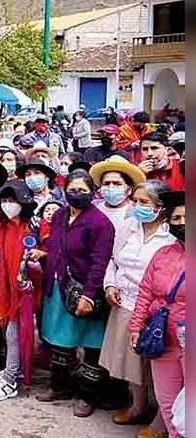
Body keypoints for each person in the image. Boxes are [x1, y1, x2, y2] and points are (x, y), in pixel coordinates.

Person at [36, 170, 115, 418]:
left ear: (92, 192)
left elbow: (100, 262)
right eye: (72, 190)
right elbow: (57, 248)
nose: (76, 194)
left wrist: (89, 295)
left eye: (82, 190)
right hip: (58, 287)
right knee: (60, 339)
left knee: (91, 344)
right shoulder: (60, 215)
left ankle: (87, 395)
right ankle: (59, 386)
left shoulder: (100, 223)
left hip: (85, 290)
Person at [99, 181, 176, 428]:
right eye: (135, 201)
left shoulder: (171, 234)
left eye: (144, 202)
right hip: (125, 302)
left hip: (156, 310)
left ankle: (163, 418)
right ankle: (138, 405)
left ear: (160, 207)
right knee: (131, 362)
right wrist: (110, 284)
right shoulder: (128, 226)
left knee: (159, 365)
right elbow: (112, 259)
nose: (137, 206)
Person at [128, 192, 185, 438]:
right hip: (162, 338)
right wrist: (135, 326)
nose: (182, 223)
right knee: (168, 402)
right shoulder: (163, 254)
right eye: (176, 218)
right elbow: (145, 293)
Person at [0, 180, 42, 400]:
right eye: (4, 200)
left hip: (27, 292)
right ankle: (13, 369)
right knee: (11, 333)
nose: (8, 204)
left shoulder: (34, 227)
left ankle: (9, 380)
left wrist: (37, 261)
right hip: (6, 289)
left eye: (12, 200)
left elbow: (46, 254)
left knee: (15, 334)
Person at [90, 155, 146, 234]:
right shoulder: (92, 209)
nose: (111, 187)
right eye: (106, 183)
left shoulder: (136, 212)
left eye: (117, 183)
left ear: (129, 190)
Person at [16, 159, 65, 230]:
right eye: (28, 174)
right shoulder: (22, 201)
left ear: (47, 176)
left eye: (37, 173)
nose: (32, 177)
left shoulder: (62, 197)